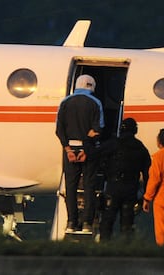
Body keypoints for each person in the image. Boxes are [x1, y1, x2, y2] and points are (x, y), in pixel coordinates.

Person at [56, 74, 104, 233]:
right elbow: (98, 130)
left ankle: (71, 222)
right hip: (87, 150)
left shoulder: (65, 102)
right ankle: (86, 223)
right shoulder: (95, 103)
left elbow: (59, 130)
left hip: (69, 148)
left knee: (71, 187)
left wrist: (68, 149)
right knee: (89, 187)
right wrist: (85, 149)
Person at [97, 118, 151, 241]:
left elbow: (98, 155)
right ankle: (126, 251)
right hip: (130, 189)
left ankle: (104, 249)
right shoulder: (140, 148)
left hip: (113, 187)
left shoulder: (113, 144)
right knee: (127, 225)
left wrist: (105, 172)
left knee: (107, 223)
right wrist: (145, 195)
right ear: (135, 130)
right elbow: (148, 174)